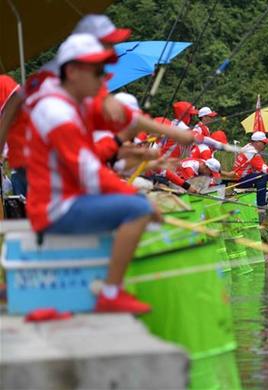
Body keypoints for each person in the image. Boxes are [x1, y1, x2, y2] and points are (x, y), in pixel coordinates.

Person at [26, 34, 159, 314]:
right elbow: (92, 170)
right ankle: (110, 292)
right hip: (55, 206)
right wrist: (134, 194)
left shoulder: (76, 111)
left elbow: (101, 161)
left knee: (136, 203)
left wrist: (146, 162)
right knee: (136, 208)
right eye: (97, 72)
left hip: (65, 199)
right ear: (72, 72)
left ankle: (110, 284)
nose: (102, 79)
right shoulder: (60, 112)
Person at [235, 132, 268, 207]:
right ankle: (261, 205)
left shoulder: (249, 147)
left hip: (247, 176)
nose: (265, 145)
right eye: (264, 143)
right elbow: (264, 169)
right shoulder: (251, 152)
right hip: (241, 180)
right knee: (262, 177)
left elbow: (262, 168)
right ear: (257, 143)